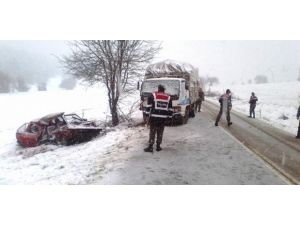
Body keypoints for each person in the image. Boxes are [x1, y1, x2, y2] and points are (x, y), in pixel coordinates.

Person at [144, 85, 173, 152]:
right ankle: (158, 146)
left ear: (158, 89)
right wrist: (170, 117)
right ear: (164, 90)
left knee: (152, 132)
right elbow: (170, 109)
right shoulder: (168, 97)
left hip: (154, 117)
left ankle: (150, 146)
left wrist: (146, 115)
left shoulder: (153, 95)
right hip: (163, 119)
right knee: (160, 132)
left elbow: (149, 107)